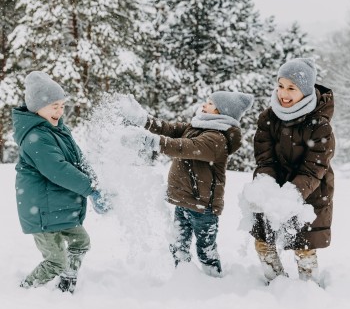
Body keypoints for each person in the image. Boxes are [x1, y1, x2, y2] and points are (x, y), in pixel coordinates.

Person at [120, 91, 254, 276]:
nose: (204, 105)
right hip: (183, 201)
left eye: (210, 103)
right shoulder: (198, 126)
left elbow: (183, 147)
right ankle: (184, 279)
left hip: (203, 207)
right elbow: (169, 129)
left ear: (223, 112)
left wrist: (151, 141)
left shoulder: (217, 139)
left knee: (205, 250)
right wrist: (143, 120)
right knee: (178, 245)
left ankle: (213, 279)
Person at [13, 71, 109, 293]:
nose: (59, 110)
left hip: (58, 207)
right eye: (54, 106)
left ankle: (68, 280)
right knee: (55, 260)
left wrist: (97, 184)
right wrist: (90, 189)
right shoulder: (35, 137)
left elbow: (78, 159)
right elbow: (58, 170)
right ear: (37, 108)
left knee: (80, 243)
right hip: (43, 212)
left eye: (62, 105)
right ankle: (24, 290)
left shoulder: (58, 130)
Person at [252, 58, 335, 284]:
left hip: (310, 192)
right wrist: (266, 188)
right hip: (274, 189)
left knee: (303, 246)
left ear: (305, 91)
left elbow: (314, 168)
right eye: (280, 86)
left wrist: (292, 194)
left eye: (291, 88)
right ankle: (275, 282)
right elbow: (264, 158)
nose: (283, 94)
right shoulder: (268, 118)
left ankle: (308, 288)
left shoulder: (319, 125)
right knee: (263, 242)